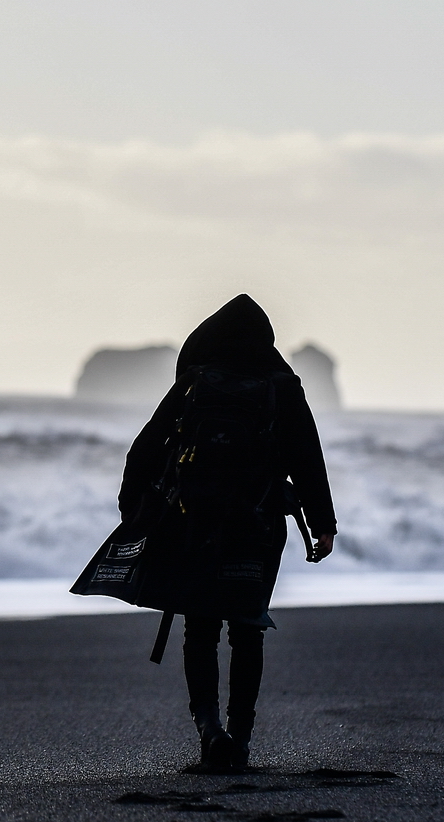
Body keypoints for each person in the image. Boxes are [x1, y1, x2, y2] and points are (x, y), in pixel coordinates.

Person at [119, 294, 337, 772]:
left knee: (200, 628)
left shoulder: (196, 383)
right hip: (257, 525)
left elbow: (147, 447)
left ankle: (208, 731)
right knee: (248, 627)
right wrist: (323, 524)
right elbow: (308, 459)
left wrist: (133, 509)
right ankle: (239, 739)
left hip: (193, 522)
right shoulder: (283, 387)